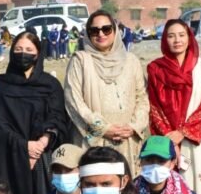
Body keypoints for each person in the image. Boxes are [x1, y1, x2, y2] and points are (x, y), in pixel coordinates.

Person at [0, 30, 68, 194]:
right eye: (19, 48)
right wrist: (24, 146)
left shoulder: (50, 84)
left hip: (42, 158)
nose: (23, 53)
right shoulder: (2, 84)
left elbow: (58, 118)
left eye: (29, 49)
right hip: (8, 158)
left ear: (38, 53)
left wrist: (42, 143)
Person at [64, 11, 149, 177]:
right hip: (94, 141)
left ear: (115, 31)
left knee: (126, 191)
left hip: (127, 139)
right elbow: (74, 101)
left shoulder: (131, 61)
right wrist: (104, 128)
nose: (100, 34)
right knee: (96, 188)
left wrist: (133, 127)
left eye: (106, 29)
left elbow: (142, 98)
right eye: (94, 31)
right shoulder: (80, 61)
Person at [147, 19, 201, 194]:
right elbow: (154, 106)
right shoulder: (155, 69)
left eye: (182, 35)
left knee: (198, 186)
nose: (177, 40)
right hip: (166, 137)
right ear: (164, 40)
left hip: (195, 138)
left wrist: (183, 132)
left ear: (189, 38)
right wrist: (170, 138)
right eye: (171, 35)